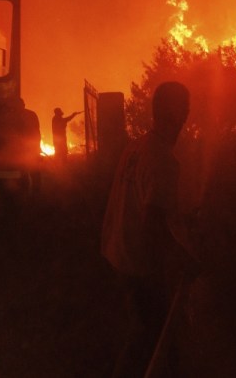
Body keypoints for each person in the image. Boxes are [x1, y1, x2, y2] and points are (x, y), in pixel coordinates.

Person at [101, 81, 199, 378]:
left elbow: (141, 200)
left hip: (117, 251)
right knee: (149, 336)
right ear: (174, 113)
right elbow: (153, 224)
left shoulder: (137, 146)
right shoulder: (164, 160)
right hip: (138, 262)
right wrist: (183, 260)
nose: (187, 116)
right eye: (185, 108)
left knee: (148, 329)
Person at [17, 97, 42, 195]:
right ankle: (34, 192)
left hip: (24, 148)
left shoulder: (14, 116)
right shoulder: (31, 114)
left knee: (26, 171)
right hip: (29, 148)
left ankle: (27, 191)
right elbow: (37, 132)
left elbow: (36, 132)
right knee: (31, 171)